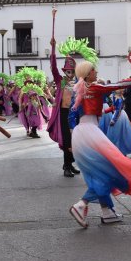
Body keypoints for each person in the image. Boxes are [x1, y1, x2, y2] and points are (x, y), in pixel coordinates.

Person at [68, 62, 131, 228]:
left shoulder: (78, 90)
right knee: (110, 171)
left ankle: (107, 212)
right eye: (93, 70)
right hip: (90, 132)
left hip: (80, 134)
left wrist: (73, 137)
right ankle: (81, 204)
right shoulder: (94, 88)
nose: (96, 72)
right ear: (88, 74)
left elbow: (71, 117)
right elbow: (117, 85)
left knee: (99, 173)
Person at [47, 36, 80, 177]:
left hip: (75, 114)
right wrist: (53, 49)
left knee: (75, 140)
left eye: (72, 71)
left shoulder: (78, 81)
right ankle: (67, 166)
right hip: (63, 113)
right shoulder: (60, 81)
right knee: (67, 140)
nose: (70, 74)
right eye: (68, 71)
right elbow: (53, 67)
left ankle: (69, 164)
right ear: (64, 71)